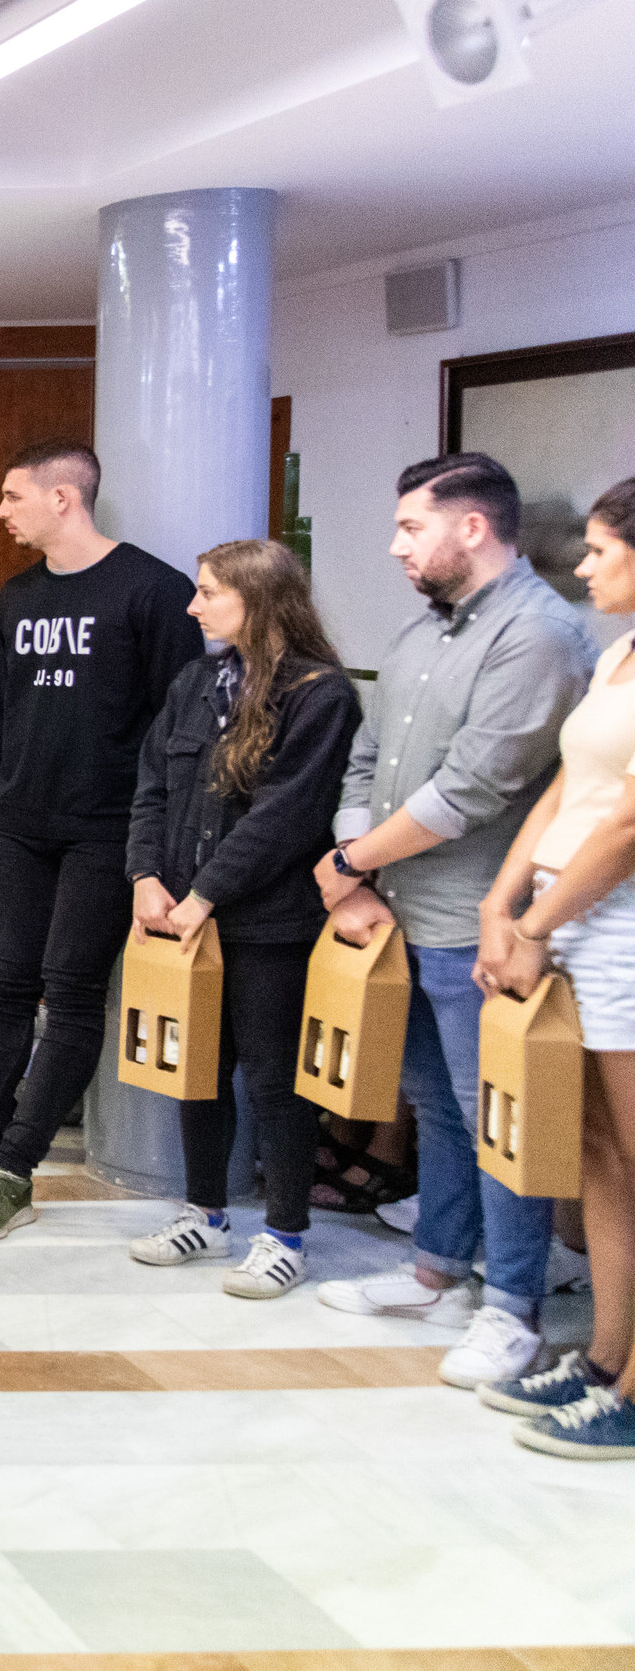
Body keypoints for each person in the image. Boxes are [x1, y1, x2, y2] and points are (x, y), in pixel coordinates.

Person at [314, 453, 597, 1390]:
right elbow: (366, 757)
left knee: (499, 1118)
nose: (396, 547)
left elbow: (473, 789)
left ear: (471, 527)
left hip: (482, 925)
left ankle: (512, 1307)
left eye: (411, 527)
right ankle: (435, 1269)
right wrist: (355, 874)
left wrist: (352, 863)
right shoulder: (421, 632)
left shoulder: (539, 634)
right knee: (436, 1106)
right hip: (396, 916)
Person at [0, 441, 199, 1244]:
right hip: (25, 827)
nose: (0, 512)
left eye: (12, 496)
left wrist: (154, 854)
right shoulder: (19, 595)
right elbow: (11, 716)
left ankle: (14, 1170)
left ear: (63, 497)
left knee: (70, 994)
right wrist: (1, 819)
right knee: (1, 988)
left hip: (108, 831)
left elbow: (177, 735)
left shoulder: (155, 590)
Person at [123, 540, 359, 1299]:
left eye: (209, 593)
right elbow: (151, 787)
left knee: (274, 1081)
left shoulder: (320, 693)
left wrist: (205, 895)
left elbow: (286, 816)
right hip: (183, 914)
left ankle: (285, 1234)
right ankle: (204, 1213)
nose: (193, 607)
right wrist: (145, 877)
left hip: (269, 923)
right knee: (194, 1070)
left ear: (259, 600)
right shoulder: (196, 681)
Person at [470, 478, 635, 1455]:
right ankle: (607, 1357)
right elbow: (572, 787)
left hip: (619, 927)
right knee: (598, 1154)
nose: (583, 564)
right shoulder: (617, 654)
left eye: (602, 549)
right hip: (567, 914)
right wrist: (504, 902)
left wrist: (535, 923)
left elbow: (627, 824)